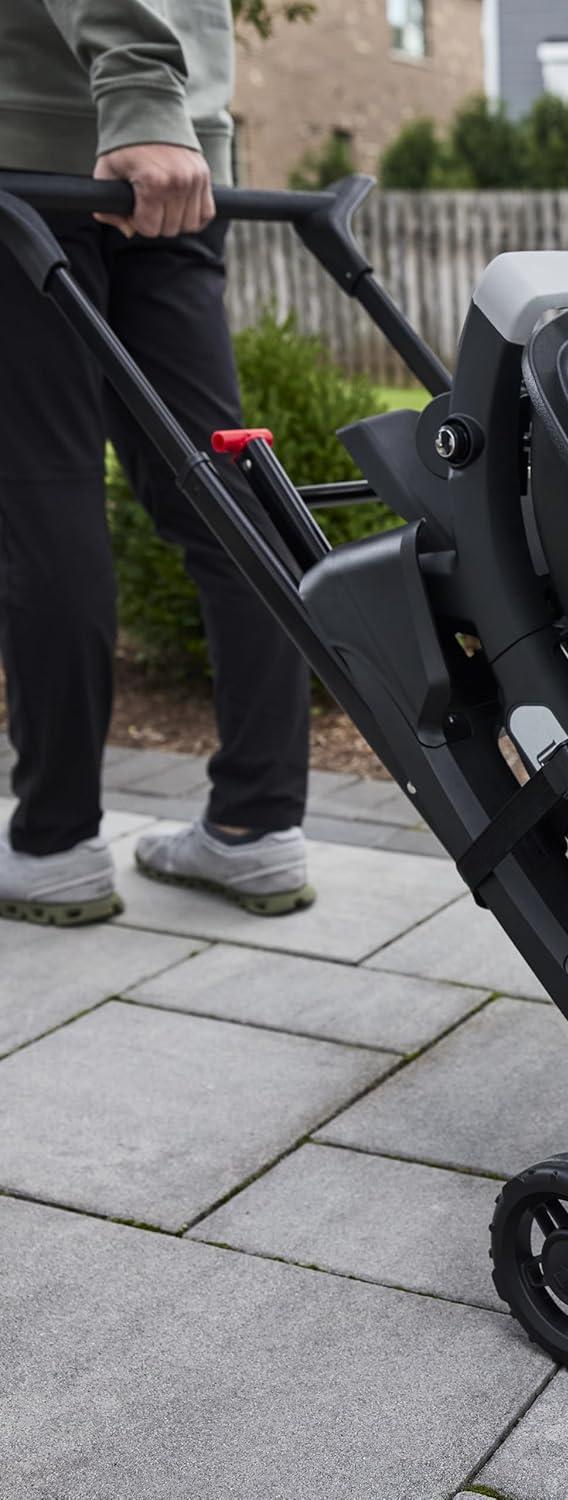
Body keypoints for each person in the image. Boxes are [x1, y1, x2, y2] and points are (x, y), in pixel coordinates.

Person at [0, 0, 315, 924]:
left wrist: (137, 96)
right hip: (183, 161)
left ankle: (54, 843)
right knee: (221, 494)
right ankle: (258, 829)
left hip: (48, 150)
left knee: (43, 488)